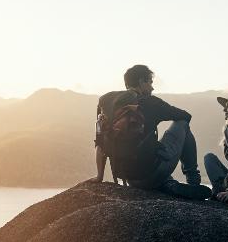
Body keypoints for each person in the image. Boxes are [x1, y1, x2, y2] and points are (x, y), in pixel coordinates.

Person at [90, 65, 212, 200]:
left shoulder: (105, 102)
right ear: (142, 82)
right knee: (182, 124)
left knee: (150, 150)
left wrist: (99, 176)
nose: (152, 88)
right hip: (152, 173)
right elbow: (186, 116)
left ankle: (168, 184)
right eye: (150, 83)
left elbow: (99, 142)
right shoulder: (151, 102)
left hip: (129, 178)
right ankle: (193, 181)